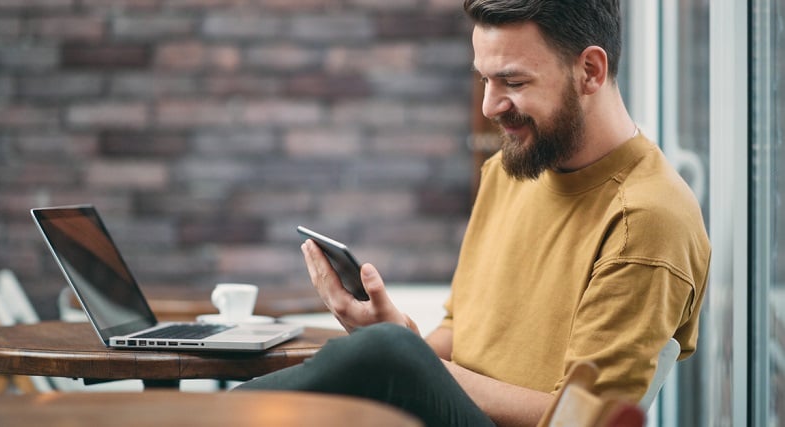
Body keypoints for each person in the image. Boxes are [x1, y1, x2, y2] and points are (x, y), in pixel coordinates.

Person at [236, 1, 711, 426]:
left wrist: (407, 360)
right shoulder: (510, 170)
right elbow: (460, 333)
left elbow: (585, 419)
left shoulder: (647, 219)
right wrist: (397, 336)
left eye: (514, 82)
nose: (489, 105)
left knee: (386, 354)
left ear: (589, 70)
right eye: (485, 79)